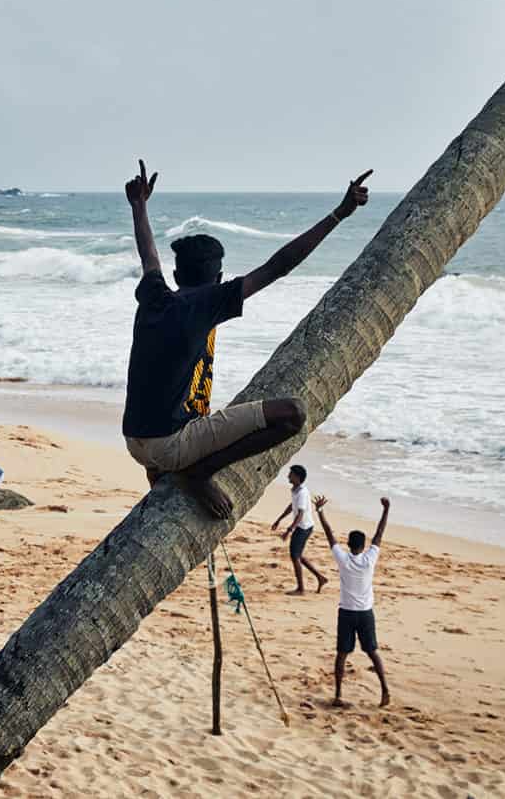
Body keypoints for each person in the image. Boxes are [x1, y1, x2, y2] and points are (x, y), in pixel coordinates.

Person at [119, 159, 372, 518]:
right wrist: (339, 214)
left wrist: (139, 206)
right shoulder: (209, 302)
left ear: (176, 273)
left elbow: (148, 255)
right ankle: (199, 473)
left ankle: (170, 468)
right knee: (293, 414)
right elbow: (279, 265)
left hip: (134, 441)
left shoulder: (155, 295)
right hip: (169, 447)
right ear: (220, 277)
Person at [317, 496, 392, 707]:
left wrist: (321, 512)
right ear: (364, 545)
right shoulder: (370, 560)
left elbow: (329, 535)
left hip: (347, 613)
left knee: (342, 654)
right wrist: (386, 510)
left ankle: (339, 694)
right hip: (366, 612)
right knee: (372, 652)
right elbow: (379, 533)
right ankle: (385, 690)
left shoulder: (343, 559)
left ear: (349, 544)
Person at [271, 464, 329, 595]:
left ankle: (301, 589)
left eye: (290, 474)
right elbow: (292, 506)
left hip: (303, 527)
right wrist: (279, 519)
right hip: (301, 526)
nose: (288, 476)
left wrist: (289, 530)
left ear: (297, 477)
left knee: (295, 556)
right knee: (298, 555)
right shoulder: (295, 490)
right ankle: (320, 578)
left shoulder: (302, 493)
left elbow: (300, 514)